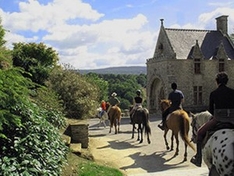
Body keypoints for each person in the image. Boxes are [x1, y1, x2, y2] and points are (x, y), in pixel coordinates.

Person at [190, 72, 234, 167]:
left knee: (200, 133)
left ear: (216, 82)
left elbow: (210, 109)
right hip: (232, 119)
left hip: (218, 119)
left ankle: (198, 158)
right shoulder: (232, 92)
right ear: (226, 82)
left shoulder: (213, 93)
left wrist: (216, 116)